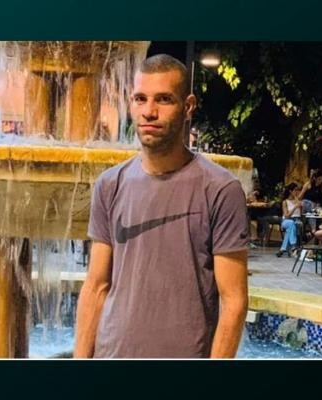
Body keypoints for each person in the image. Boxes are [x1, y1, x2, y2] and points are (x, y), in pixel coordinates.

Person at [74, 54, 249, 358]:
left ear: (188, 106)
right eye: (140, 99)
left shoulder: (221, 190)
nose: (149, 112)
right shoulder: (109, 185)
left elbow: (233, 301)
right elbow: (96, 286)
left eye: (164, 99)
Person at [276, 183, 303, 257]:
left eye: (298, 190)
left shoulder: (298, 201)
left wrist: (299, 205)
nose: (297, 192)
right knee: (291, 223)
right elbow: (286, 216)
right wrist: (295, 207)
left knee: (290, 229)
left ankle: (282, 249)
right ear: (290, 191)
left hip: (296, 220)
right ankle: (293, 244)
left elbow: (301, 214)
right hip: (286, 221)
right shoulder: (285, 202)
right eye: (295, 190)